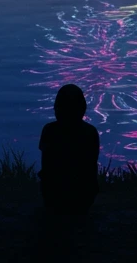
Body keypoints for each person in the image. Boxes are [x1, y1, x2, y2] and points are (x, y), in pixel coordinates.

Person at [39, 85, 100, 215]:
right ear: (83, 109)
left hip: (54, 195)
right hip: (83, 196)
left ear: (56, 109)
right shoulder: (90, 132)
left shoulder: (49, 131)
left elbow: (46, 166)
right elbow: (92, 167)